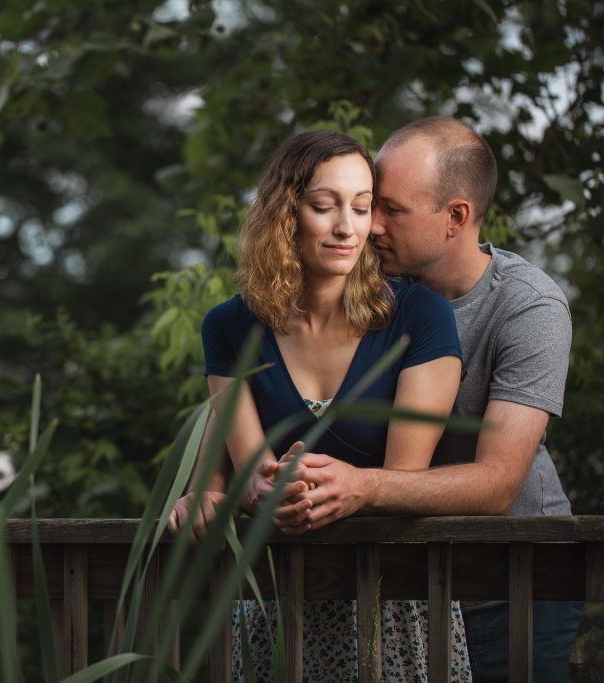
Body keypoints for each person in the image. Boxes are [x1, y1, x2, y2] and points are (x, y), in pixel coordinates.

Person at [171, 117, 578, 682]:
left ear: (455, 217)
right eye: (363, 205)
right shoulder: (311, 310)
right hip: (400, 573)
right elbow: (241, 443)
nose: (365, 227)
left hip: (515, 578)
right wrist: (216, 488)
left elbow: (499, 483)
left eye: (382, 209)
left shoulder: (523, 308)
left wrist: (361, 485)